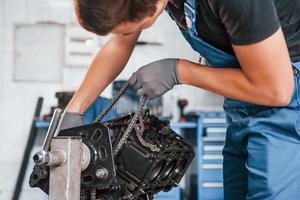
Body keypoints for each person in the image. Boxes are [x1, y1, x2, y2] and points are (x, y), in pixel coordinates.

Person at [56, 0, 300, 199]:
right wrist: (74, 110)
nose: (126, 35)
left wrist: (180, 71)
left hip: (288, 102)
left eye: (131, 29)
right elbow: (120, 43)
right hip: (244, 104)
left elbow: (277, 90)